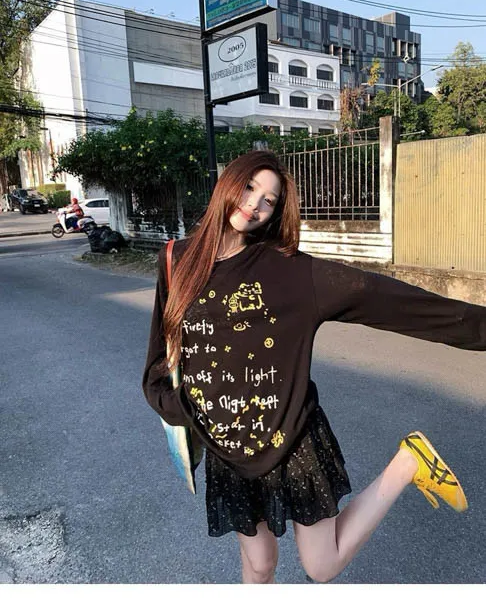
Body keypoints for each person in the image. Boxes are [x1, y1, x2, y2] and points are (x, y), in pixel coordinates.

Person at [143, 150, 485, 584]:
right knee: (259, 563)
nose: (254, 204)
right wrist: (181, 407)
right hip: (226, 448)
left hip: (292, 437)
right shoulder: (176, 261)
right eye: (249, 187)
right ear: (228, 183)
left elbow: (387, 299)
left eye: (269, 200)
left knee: (322, 565)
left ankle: (408, 463)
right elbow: (159, 359)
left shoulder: (290, 273)